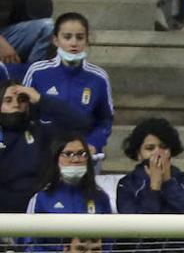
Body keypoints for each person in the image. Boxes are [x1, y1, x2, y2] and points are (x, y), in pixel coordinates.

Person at [22, 13, 113, 157]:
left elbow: (105, 120)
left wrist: (94, 143)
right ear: (55, 40)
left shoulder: (98, 77)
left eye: (80, 37)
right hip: (45, 152)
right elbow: (24, 113)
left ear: (87, 40)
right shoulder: (37, 71)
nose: (74, 43)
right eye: (67, 37)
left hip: (83, 153)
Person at [0, 79, 84, 213]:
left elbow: (80, 123)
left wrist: (40, 99)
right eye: (8, 100)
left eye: (22, 99)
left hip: (43, 207)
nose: (16, 105)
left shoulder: (41, 131)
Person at [116, 118, 184, 217]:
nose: (157, 153)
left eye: (163, 147)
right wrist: (154, 187)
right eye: (150, 148)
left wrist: (168, 182)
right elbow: (134, 222)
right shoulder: (127, 184)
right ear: (138, 153)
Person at [25, 137, 112, 228]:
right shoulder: (41, 198)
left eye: (82, 153)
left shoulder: (100, 197)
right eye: (68, 154)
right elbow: (29, 234)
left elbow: (109, 233)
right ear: (56, 158)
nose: (76, 159)